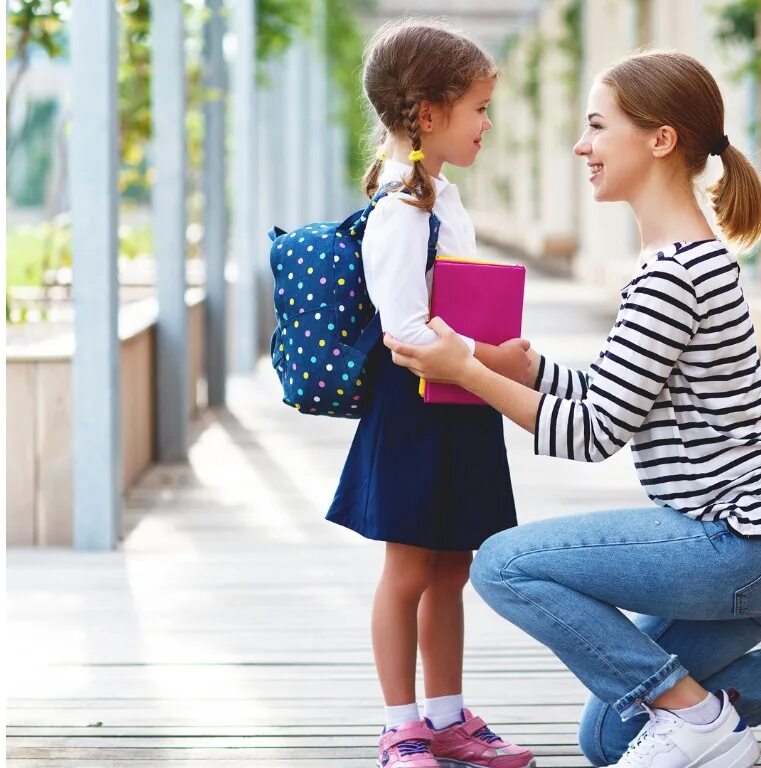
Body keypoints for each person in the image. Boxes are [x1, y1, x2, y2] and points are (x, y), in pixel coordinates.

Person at [384, 51, 761, 768]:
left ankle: (695, 717)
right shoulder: (684, 261)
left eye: (597, 126)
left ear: (660, 140)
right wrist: (527, 368)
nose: (581, 146)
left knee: (502, 564)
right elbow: (620, 393)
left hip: (742, 542)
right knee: (609, 736)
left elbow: (592, 434)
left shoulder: (672, 275)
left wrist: (464, 369)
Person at [328, 19, 535, 768]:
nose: (486, 123)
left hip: (457, 407)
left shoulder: (441, 199)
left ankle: (448, 718)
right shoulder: (399, 211)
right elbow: (405, 332)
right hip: (416, 410)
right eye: (478, 107)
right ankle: (399, 725)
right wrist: (493, 358)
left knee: (453, 567)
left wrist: (485, 359)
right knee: (408, 571)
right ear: (428, 114)